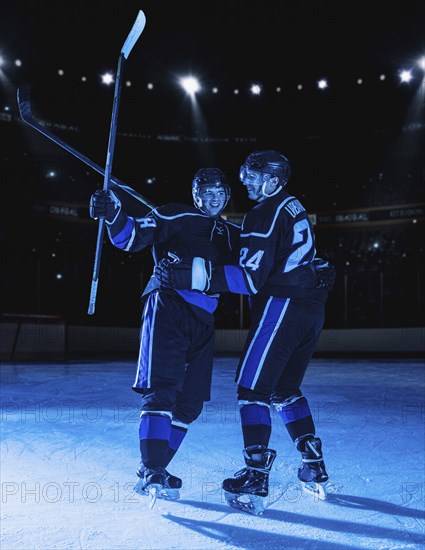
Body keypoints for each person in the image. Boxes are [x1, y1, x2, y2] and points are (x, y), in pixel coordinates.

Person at [154, 150, 336, 515]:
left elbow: (251, 279)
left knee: (252, 389)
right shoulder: (292, 205)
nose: (246, 182)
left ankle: (255, 475)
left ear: (273, 180)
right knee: (284, 390)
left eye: (253, 176)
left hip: (282, 308)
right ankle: (312, 461)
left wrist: (187, 275)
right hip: (312, 310)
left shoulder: (262, 213)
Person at [89, 167, 240, 503]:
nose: (213, 199)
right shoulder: (176, 213)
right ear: (196, 196)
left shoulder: (230, 234)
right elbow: (130, 237)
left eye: (219, 193)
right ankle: (153, 466)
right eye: (207, 193)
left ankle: (153, 468)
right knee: (162, 391)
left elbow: (257, 265)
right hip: (168, 305)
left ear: (226, 196)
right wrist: (113, 212)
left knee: (191, 404)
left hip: (204, 318)